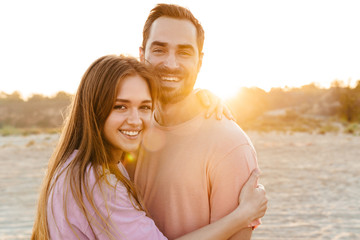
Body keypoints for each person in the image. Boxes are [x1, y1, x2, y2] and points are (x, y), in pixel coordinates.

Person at [31, 55, 267, 239]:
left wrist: (196, 97)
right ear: (94, 108)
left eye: (144, 107)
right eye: (120, 107)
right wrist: (242, 216)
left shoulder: (73, 163)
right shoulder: (98, 183)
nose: (135, 120)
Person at [134, 3, 265, 239]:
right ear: (142, 55)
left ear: (200, 62)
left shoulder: (230, 145)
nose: (171, 64)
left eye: (184, 52)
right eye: (159, 50)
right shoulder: (130, 130)